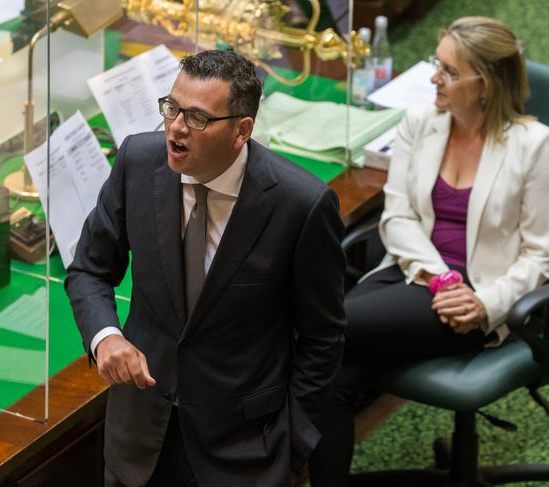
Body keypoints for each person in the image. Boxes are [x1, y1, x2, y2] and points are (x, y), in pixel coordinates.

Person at [65, 49, 346, 487]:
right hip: (138, 434)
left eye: (197, 118)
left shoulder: (300, 204)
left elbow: (322, 337)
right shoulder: (137, 162)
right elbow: (89, 270)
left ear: (242, 130)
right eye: (171, 108)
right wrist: (106, 337)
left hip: (244, 450)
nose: (176, 128)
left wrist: (294, 442)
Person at [309, 16, 549, 486]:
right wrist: (438, 277)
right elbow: (397, 217)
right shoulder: (421, 122)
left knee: (320, 331)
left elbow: (540, 256)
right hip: (415, 273)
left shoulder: (535, 146)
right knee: (333, 373)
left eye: (449, 71)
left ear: (487, 84)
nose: (434, 78)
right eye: (435, 65)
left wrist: (484, 303)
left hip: (479, 299)